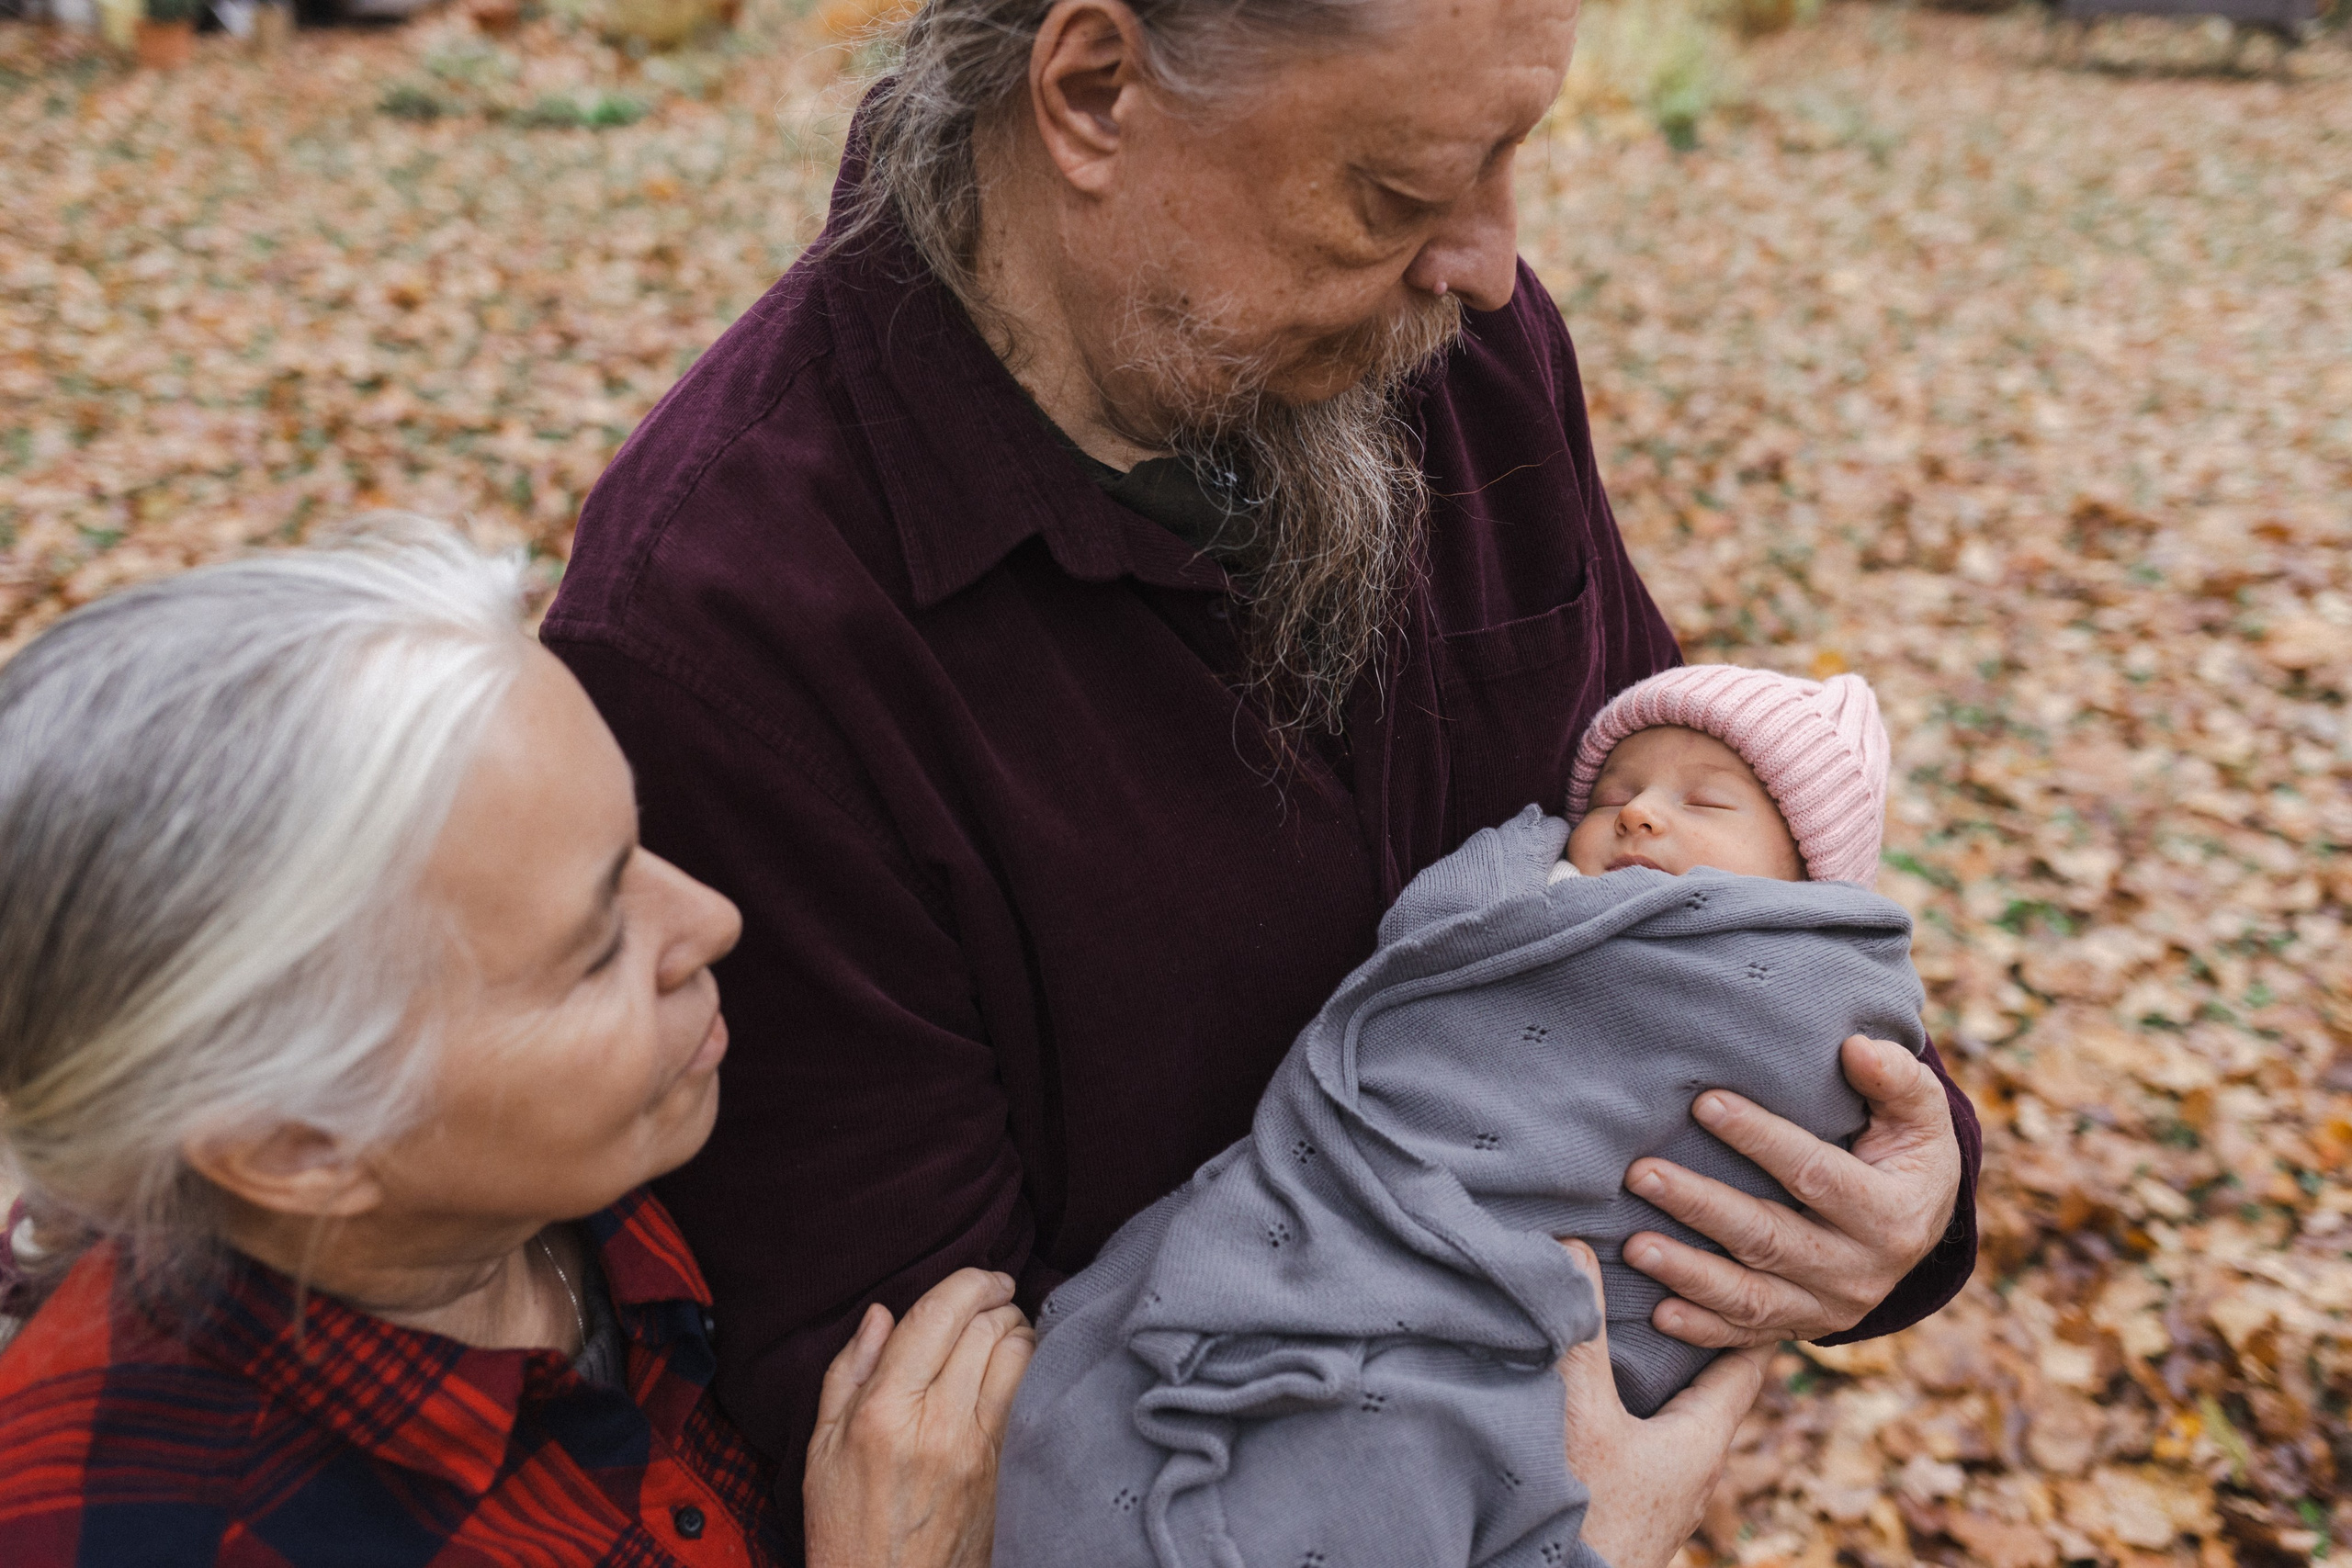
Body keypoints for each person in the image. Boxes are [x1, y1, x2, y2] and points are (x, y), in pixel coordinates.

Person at [542, 0, 1984, 1555]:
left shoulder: (1461, 353)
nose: (1492, 264)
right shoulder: (729, 633)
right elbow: (940, 1447)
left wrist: (1899, 1195)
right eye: (1398, 190)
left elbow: (1711, 884)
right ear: (1095, 91)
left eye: (1511, 158)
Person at [0, 524, 1028, 1568]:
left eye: (635, 842)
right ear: (299, 1144)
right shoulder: (149, 1529)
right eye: (595, 946)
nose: (714, 919)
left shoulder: (571, 1172)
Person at [994, 664, 1928, 1568]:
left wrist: (1928, 1182)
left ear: (1811, 884)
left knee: (1416, 1431)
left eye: (1707, 802)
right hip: (1364, 1198)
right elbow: (1431, 944)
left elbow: (1849, 1069)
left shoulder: (1801, 975)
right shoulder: (1531, 894)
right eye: (1614, 792)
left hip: (1561, 1286)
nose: (1639, 812)